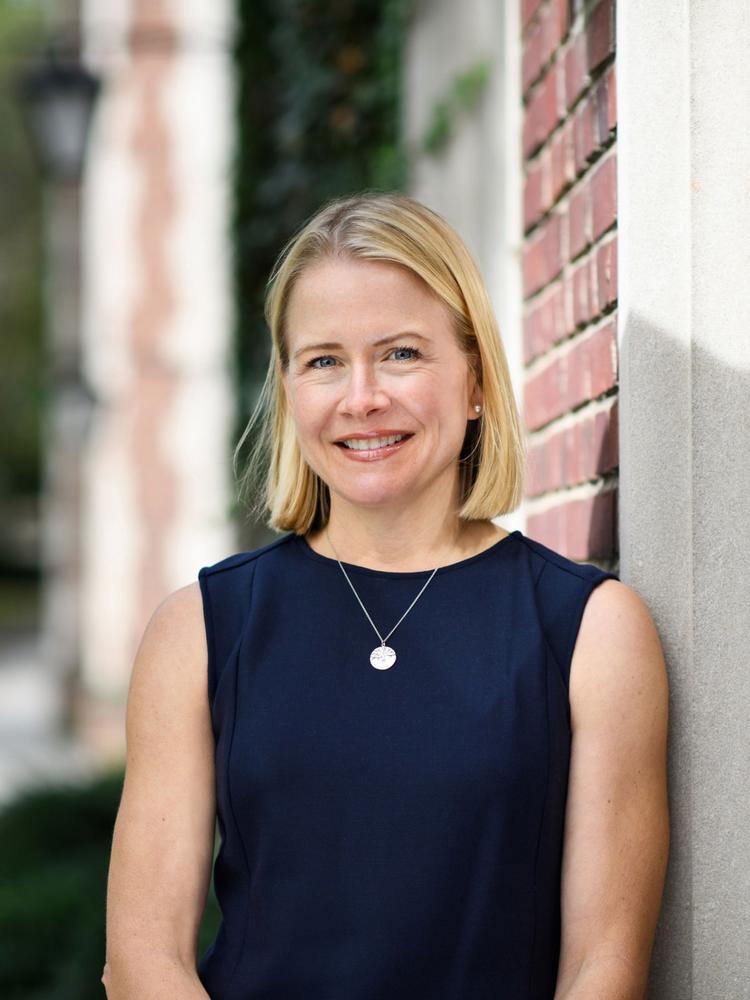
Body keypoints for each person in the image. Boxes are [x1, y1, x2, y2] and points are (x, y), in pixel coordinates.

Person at [101, 192, 669, 999]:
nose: (361, 398)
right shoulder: (200, 629)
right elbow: (142, 961)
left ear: (474, 380)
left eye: (400, 353)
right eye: (324, 360)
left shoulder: (589, 632)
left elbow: (602, 969)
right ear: (291, 388)